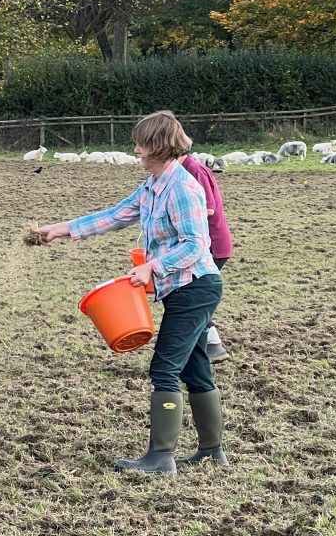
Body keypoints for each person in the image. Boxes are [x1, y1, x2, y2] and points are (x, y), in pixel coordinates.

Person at [37, 111, 227, 474]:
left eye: (140, 143)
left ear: (157, 145)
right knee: (195, 367)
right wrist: (60, 230)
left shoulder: (183, 187)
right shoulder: (153, 186)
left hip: (196, 286)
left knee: (164, 368)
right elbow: (116, 215)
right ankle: (211, 451)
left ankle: (161, 457)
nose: (136, 150)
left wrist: (152, 267)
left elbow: (196, 245)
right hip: (182, 289)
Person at [179, 153, 233, 363]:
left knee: (193, 297)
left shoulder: (195, 170)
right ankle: (208, 345)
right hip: (202, 244)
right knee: (190, 296)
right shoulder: (184, 169)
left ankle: (211, 345)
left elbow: (208, 208)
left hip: (211, 244)